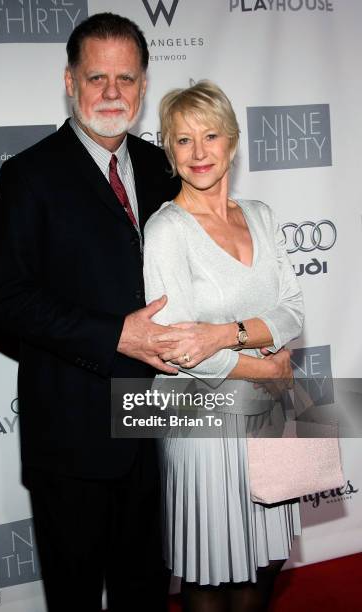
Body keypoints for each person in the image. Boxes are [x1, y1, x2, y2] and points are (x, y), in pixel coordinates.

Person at [0, 12, 188, 612]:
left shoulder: (160, 168)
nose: (112, 93)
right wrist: (114, 335)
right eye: (96, 78)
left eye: (126, 79)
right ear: (69, 81)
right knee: (74, 599)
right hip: (70, 434)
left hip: (153, 428)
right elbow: (10, 302)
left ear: (145, 85)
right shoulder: (28, 175)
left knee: (144, 592)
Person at [143, 80, 304, 612]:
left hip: (271, 417)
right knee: (212, 578)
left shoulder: (261, 214)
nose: (198, 152)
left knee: (264, 566)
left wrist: (226, 333)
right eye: (183, 140)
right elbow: (178, 348)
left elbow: (294, 310)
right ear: (169, 149)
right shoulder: (168, 229)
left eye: (210, 136)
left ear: (232, 142)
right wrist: (266, 369)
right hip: (205, 425)